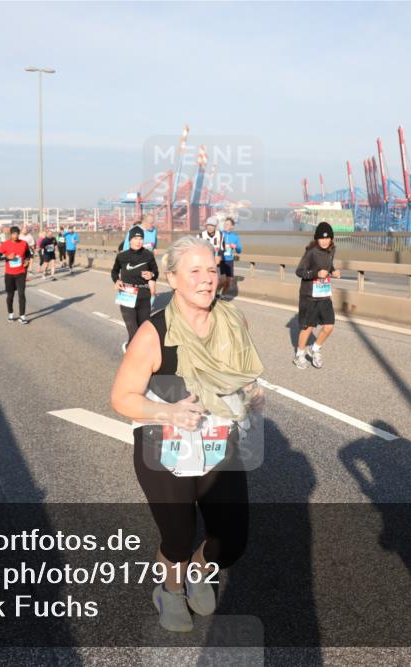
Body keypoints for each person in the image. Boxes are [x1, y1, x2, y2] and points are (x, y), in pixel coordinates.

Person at [110, 235, 264, 633]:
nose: (206, 278)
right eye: (194, 271)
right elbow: (122, 398)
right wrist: (169, 411)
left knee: (231, 541)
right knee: (178, 537)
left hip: (219, 439)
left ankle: (198, 570)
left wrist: (251, 391)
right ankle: (171, 588)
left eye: (211, 269)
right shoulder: (153, 333)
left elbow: (242, 374)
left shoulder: (234, 321)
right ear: (173, 279)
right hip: (165, 443)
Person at [293, 221, 341, 369]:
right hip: (309, 296)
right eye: (321, 238)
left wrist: (333, 271)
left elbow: (328, 265)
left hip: (324, 294)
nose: (324, 241)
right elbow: (299, 271)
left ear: (331, 239)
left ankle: (314, 349)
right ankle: (299, 355)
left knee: (329, 326)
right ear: (316, 239)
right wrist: (316, 273)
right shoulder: (311, 252)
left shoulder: (331, 251)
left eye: (327, 238)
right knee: (308, 328)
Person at [112, 225, 160, 354]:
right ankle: (134, 357)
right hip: (127, 293)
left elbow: (156, 272)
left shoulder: (148, 255)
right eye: (135, 239)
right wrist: (116, 280)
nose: (138, 241)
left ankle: (130, 346)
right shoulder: (122, 256)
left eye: (140, 239)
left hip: (144, 295)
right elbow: (114, 271)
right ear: (130, 240)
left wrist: (152, 275)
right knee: (133, 330)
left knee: (142, 330)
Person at [0, 225, 32, 324]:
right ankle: (10, 313)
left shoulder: (24, 243)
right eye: (14, 234)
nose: (16, 236)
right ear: (10, 234)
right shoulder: (5, 244)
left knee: (21, 294)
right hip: (9, 274)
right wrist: (7, 257)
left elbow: (29, 254)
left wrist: (27, 260)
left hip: (21, 273)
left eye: (17, 234)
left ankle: (22, 316)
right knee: (10, 295)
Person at [218, 217, 243, 298]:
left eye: (228, 224)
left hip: (229, 261)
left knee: (229, 281)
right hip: (220, 260)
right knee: (222, 279)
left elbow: (239, 250)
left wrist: (236, 246)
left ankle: (222, 296)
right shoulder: (219, 234)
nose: (225, 225)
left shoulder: (235, 237)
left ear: (232, 226)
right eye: (225, 224)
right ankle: (215, 293)